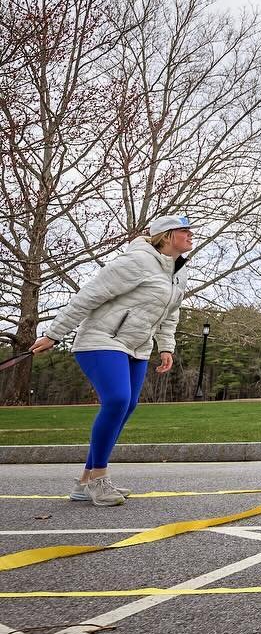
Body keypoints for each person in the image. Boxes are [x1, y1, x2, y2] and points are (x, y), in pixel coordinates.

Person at [29, 216, 193, 506]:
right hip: (101, 339)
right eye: (184, 231)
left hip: (137, 346)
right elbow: (88, 297)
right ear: (166, 236)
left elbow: (170, 315)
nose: (191, 235)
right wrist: (54, 334)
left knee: (127, 406)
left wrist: (166, 347)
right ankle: (99, 479)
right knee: (117, 400)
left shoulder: (178, 273)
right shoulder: (136, 262)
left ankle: (84, 483)